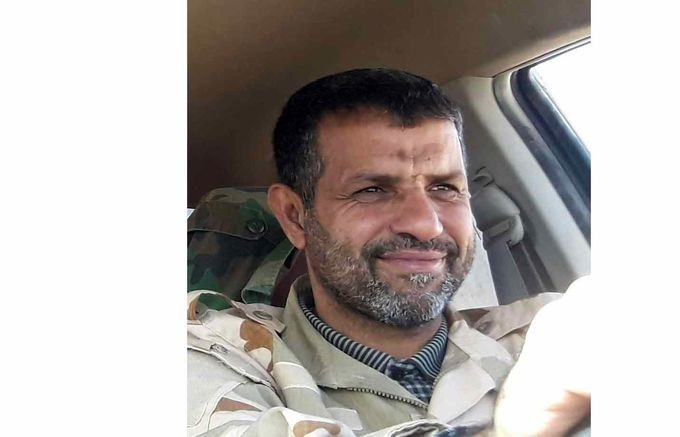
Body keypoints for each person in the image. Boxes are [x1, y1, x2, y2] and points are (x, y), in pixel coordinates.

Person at [187, 68, 590, 436]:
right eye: (372, 190)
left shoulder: (547, 336)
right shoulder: (213, 354)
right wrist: (533, 418)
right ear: (295, 217)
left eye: (445, 188)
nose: (426, 224)